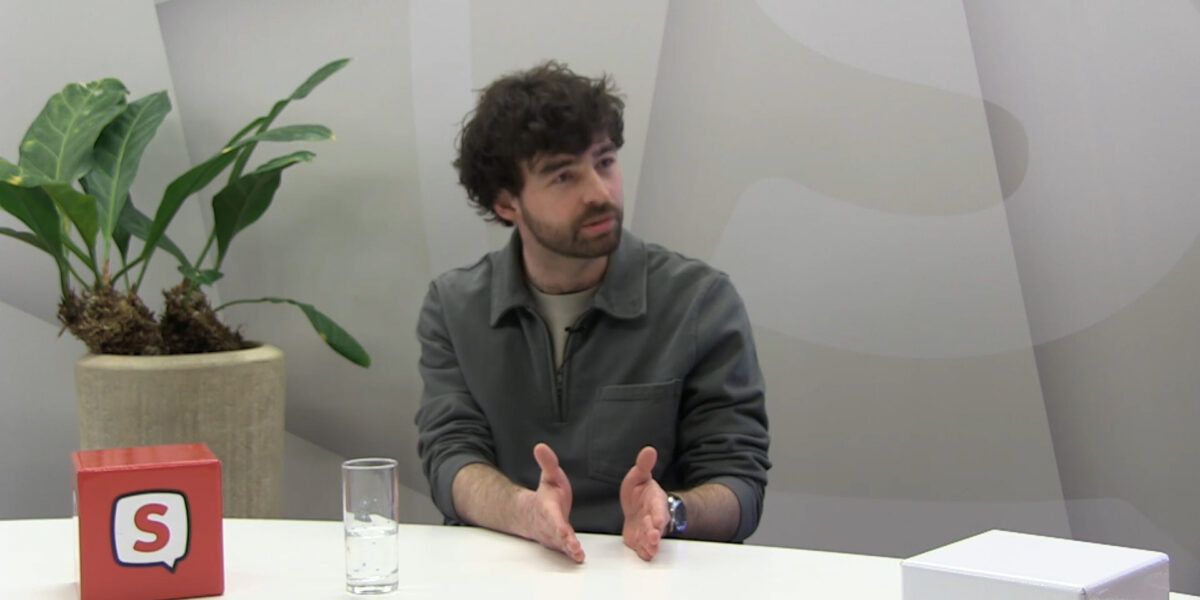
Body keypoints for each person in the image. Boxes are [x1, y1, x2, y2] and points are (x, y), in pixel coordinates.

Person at [414, 61, 770, 563]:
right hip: (506, 567)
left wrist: (671, 511)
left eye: (604, 162)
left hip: (650, 573)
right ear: (506, 203)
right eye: (563, 176)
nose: (600, 194)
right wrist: (525, 513)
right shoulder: (454, 307)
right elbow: (451, 457)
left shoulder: (699, 301)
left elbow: (740, 483)